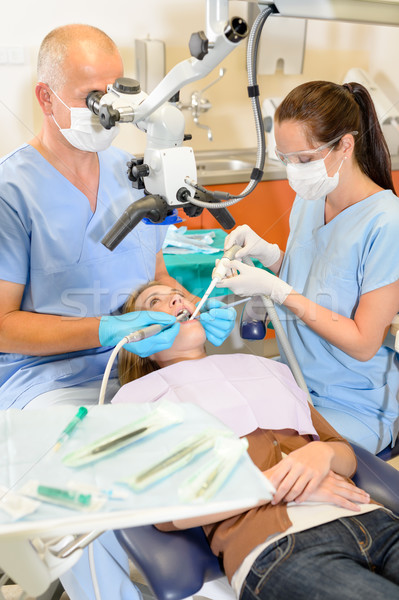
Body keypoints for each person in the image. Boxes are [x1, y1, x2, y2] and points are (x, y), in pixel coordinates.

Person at [106, 282, 399, 600]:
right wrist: (273, 485)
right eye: (155, 301)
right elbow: (165, 513)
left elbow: (344, 451)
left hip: (370, 517)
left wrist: (321, 452)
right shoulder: (139, 403)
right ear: (138, 339)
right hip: (281, 547)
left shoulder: (266, 368)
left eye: (177, 294)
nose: (175, 298)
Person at [0, 23, 235, 412]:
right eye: (92, 97)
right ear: (46, 98)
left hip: (143, 364)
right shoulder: (11, 190)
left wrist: (195, 306)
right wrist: (105, 330)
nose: (109, 110)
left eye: (113, 92)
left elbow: (157, 278)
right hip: (51, 383)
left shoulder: (135, 171)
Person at [216, 80, 399, 455]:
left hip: (352, 403)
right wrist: (272, 259)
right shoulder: (311, 201)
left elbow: (365, 343)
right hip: (294, 383)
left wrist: (276, 289)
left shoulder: (387, 224)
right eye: (285, 159)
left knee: (264, 462)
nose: (293, 172)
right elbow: (314, 280)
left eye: (304, 159)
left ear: (344, 146)